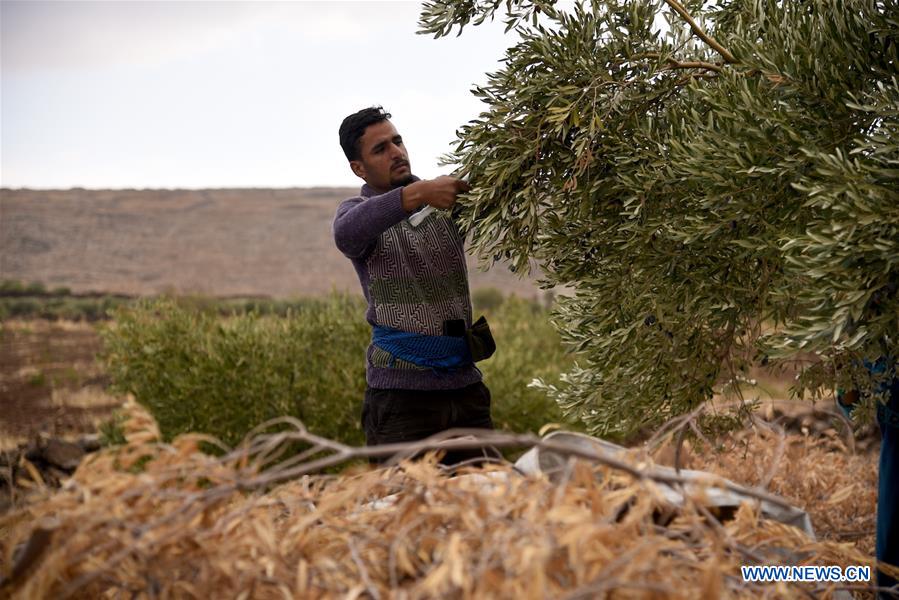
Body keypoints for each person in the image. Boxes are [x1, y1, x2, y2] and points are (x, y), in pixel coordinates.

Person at [333, 106, 497, 466]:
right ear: (358, 168)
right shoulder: (358, 213)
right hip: (400, 399)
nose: (396, 152)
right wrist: (418, 194)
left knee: (491, 508)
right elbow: (346, 235)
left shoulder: (444, 204)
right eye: (380, 149)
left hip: (466, 390)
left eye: (397, 141)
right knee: (402, 513)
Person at [837, 358, 898, 598]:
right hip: (896, 456)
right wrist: (843, 368)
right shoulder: (872, 340)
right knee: (893, 548)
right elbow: (852, 403)